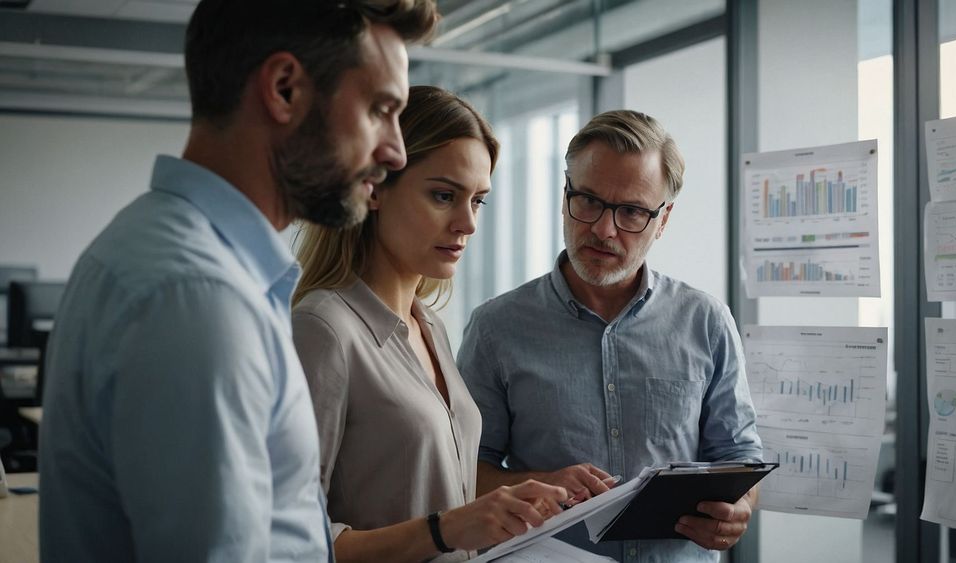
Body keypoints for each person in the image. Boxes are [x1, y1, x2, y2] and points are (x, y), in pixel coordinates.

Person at [38, 1, 438, 561]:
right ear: (284, 89)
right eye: (380, 108)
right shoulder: (198, 298)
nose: (394, 151)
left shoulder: (167, 254)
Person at [457, 110, 763, 562]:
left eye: (632, 212)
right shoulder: (495, 329)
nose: (603, 229)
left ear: (663, 220)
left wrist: (739, 509)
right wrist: (540, 484)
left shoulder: (706, 321)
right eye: (589, 201)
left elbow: (738, 455)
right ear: (565, 197)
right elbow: (463, 471)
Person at [291, 85, 568, 563]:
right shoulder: (323, 330)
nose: (468, 223)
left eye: (478, 201)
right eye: (444, 195)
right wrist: (446, 529)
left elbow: (437, 498)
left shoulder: (430, 326)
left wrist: (510, 506)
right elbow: (292, 541)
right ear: (373, 188)